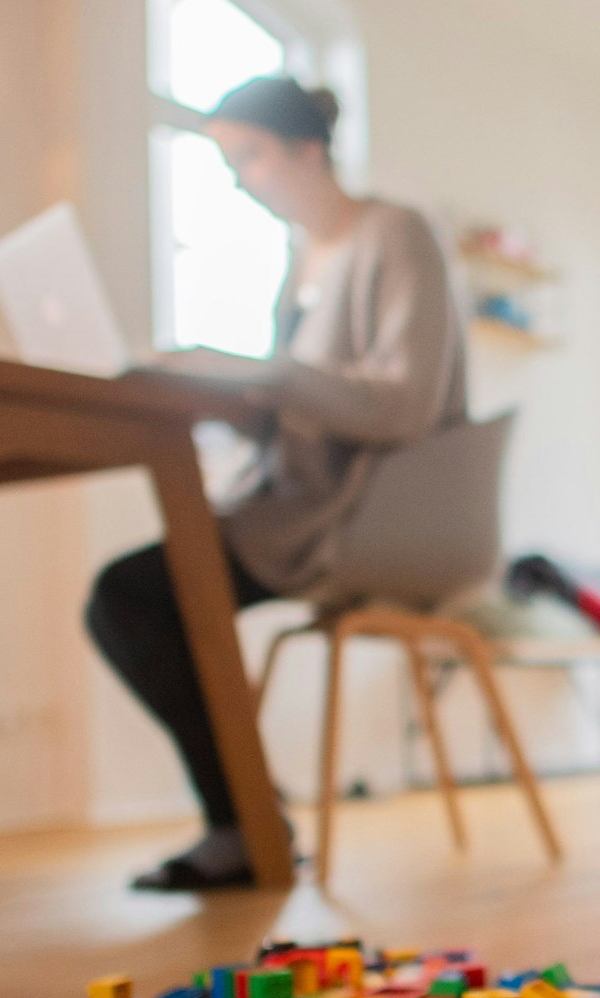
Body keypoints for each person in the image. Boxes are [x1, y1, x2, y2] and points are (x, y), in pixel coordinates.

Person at [86, 76, 466, 891]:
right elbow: (295, 410)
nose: (239, 178)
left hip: (357, 513)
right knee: (133, 595)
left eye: (249, 156)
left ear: (307, 149)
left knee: (132, 594)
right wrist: (222, 397)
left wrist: (260, 374)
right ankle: (245, 811)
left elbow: (403, 404)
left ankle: (240, 820)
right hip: (293, 502)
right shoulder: (299, 265)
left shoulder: (395, 234)